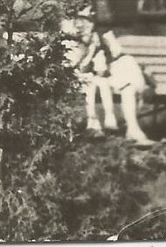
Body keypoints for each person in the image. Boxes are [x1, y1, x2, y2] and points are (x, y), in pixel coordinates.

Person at [65, 11, 152, 146]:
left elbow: (118, 54)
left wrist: (104, 44)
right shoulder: (74, 41)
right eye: (79, 20)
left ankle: (133, 130)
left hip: (114, 73)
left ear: (93, 23)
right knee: (121, 84)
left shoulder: (102, 35)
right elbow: (79, 66)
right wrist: (91, 49)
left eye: (87, 20)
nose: (83, 24)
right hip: (96, 78)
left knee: (128, 88)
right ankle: (105, 126)